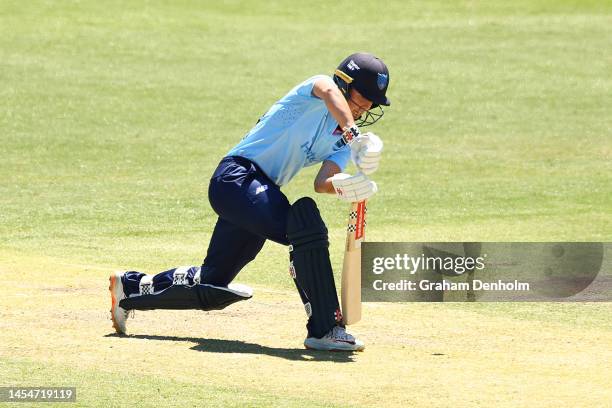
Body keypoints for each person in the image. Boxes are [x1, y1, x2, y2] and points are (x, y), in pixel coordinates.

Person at [109, 52, 390, 351]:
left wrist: (348, 186)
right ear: (344, 84)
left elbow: (323, 183)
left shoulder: (346, 142)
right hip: (235, 178)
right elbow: (327, 90)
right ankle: (325, 328)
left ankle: (130, 288)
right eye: (363, 96)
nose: (366, 106)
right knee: (305, 225)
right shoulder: (317, 91)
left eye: (373, 102)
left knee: (213, 285)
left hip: (258, 193)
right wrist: (353, 134)